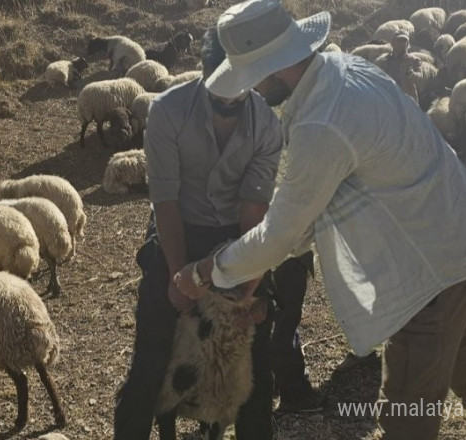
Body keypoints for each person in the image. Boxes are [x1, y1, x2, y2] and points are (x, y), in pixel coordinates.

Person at [174, 1, 466, 439]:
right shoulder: (346, 68)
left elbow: (281, 234)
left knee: (406, 415)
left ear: (273, 68)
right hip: (465, 236)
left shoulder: (321, 123)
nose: (252, 92)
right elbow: (304, 209)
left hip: (432, 272)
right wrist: (255, 264)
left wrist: (208, 271)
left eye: (250, 78)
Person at [112, 27, 318, 440]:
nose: (227, 105)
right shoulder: (168, 112)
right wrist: (177, 277)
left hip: (236, 238)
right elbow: (165, 200)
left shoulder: (265, 125)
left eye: (237, 94)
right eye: (218, 94)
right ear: (205, 76)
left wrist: (248, 286)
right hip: (178, 229)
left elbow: (254, 210)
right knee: (149, 366)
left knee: (254, 372)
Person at [378, 29, 422, 103]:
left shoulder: (414, 60)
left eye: (404, 40)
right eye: (399, 40)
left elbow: (419, 77)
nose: (402, 43)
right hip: (389, 100)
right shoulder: (384, 60)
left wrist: (412, 74)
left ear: (408, 44)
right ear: (393, 42)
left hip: (407, 102)